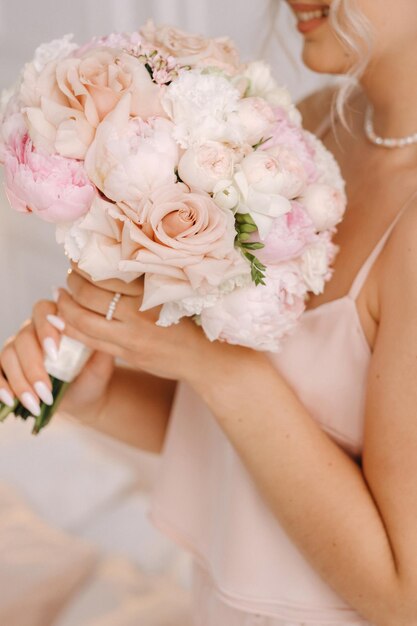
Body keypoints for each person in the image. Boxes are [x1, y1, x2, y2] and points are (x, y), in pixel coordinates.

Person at [1, 0, 417, 623]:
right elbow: (251, 442)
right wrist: (99, 398)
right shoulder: (306, 135)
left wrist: (219, 368)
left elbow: (402, 593)